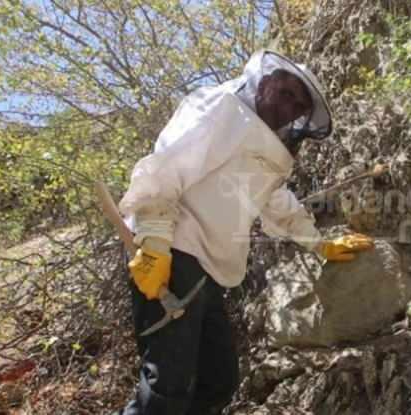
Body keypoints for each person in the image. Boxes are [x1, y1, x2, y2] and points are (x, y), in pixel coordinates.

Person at [115, 50, 374, 415]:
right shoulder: (221, 109)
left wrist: (319, 243)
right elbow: (165, 167)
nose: (290, 109)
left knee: (218, 382)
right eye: (286, 93)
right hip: (174, 255)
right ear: (265, 83)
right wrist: (155, 244)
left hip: (208, 273)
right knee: (166, 388)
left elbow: (274, 201)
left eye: (299, 106)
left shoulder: (264, 146)